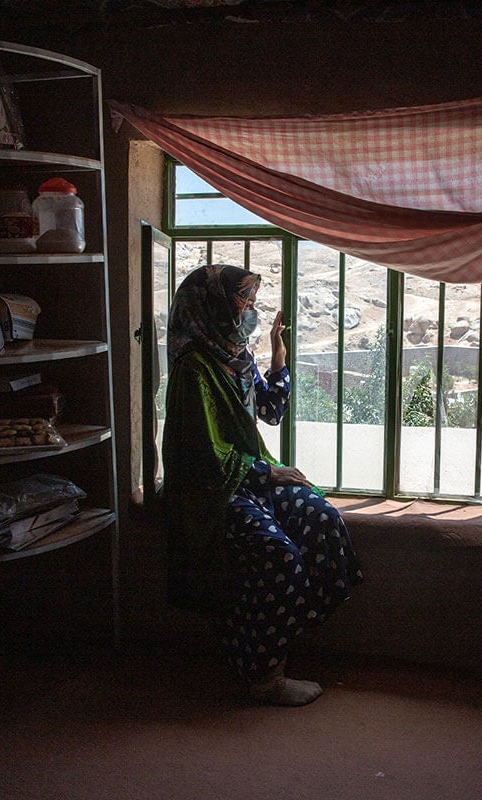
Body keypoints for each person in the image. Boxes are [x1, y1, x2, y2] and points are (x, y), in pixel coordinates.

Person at [161, 263, 362, 706]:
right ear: (212, 306)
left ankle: (268, 637)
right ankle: (264, 674)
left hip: (248, 475)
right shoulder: (195, 367)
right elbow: (202, 457)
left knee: (323, 520)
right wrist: (269, 473)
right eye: (243, 302)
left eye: (253, 302)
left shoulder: (237, 354)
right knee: (279, 555)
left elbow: (270, 411)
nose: (251, 311)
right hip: (212, 489)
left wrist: (278, 356)